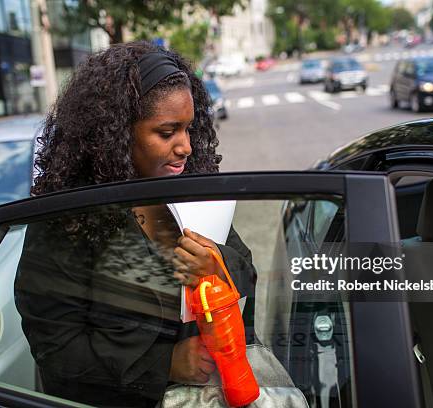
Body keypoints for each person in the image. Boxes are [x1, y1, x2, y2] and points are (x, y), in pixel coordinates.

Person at [14, 41, 257, 407]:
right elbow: (56, 349)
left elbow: (246, 271)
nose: (186, 146)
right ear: (116, 133)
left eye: (189, 129)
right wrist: (166, 365)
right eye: (167, 132)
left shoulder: (190, 190)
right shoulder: (70, 217)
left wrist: (215, 265)